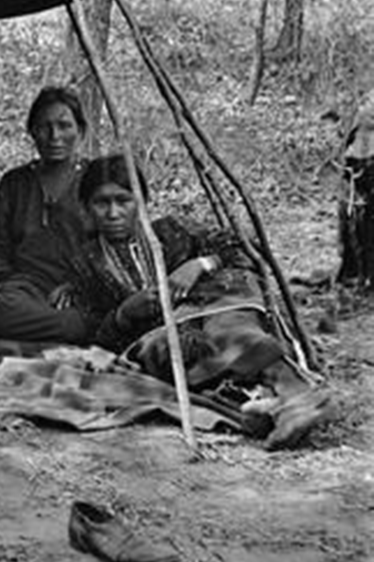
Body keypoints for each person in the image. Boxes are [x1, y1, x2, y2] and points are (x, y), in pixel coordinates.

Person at [67, 154, 335, 451]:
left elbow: (247, 250)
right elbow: (95, 338)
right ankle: (278, 403)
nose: (113, 212)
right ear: (86, 209)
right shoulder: (86, 263)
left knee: (227, 322)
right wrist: (125, 313)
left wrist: (200, 265)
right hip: (164, 342)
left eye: (123, 200)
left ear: (142, 202)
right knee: (178, 349)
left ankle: (293, 395)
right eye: (101, 203)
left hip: (216, 312)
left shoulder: (172, 230)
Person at [0, 85, 91, 348]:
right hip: (24, 289)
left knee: (80, 321)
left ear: (80, 130)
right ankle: (63, 332)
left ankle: (66, 329)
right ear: (32, 132)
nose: (54, 135)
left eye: (64, 126)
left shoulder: (95, 179)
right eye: (44, 127)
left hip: (79, 292)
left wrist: (79, 284)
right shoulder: (16, 182)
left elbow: (115, 243)